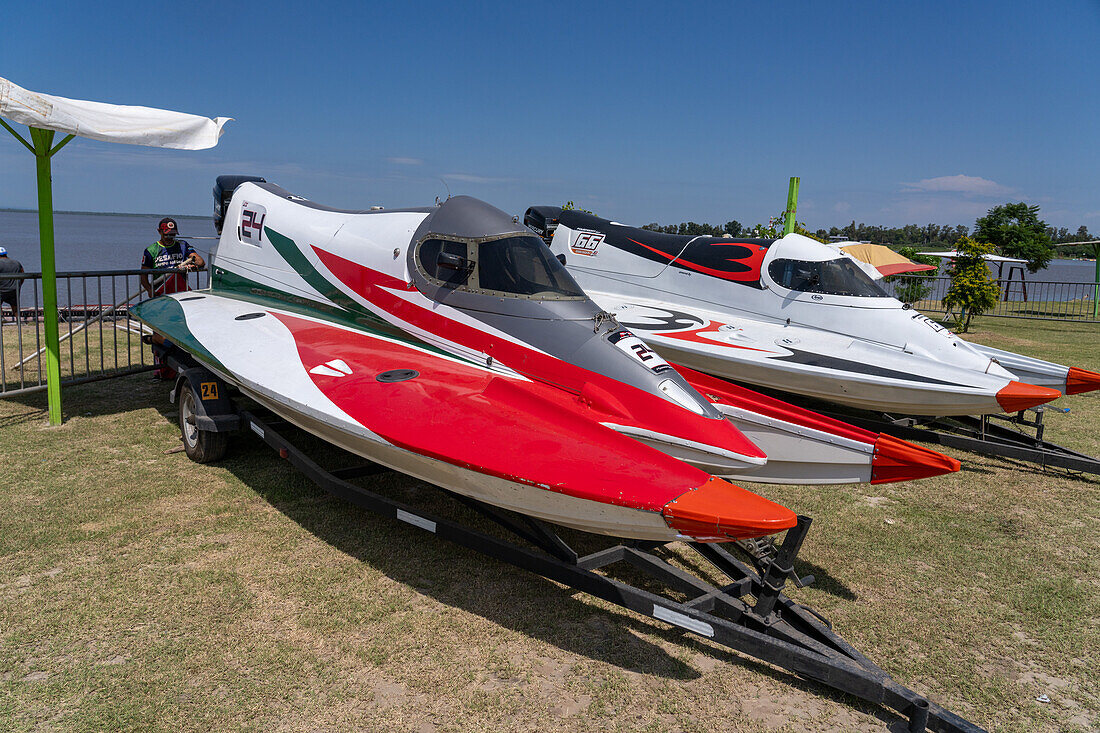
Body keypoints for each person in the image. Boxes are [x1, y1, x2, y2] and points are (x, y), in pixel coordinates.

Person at [140, 217, 205, 298]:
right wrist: (149, 289)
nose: (169, 237)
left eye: (172, 234)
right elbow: (143, 275)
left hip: (180, 290)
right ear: (159, 232)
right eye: (166, 235)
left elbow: (200, 261)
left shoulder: (183, 245)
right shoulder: (151, 250)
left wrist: (191, 265)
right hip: (161, 291)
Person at [0, 245, 24, 323]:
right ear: (6, 254)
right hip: (14, 289)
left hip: (1, 290)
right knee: (15, 306)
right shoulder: (16, 263)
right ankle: (18, 321)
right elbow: (22, 275)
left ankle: (1, 319)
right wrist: (19, 285)